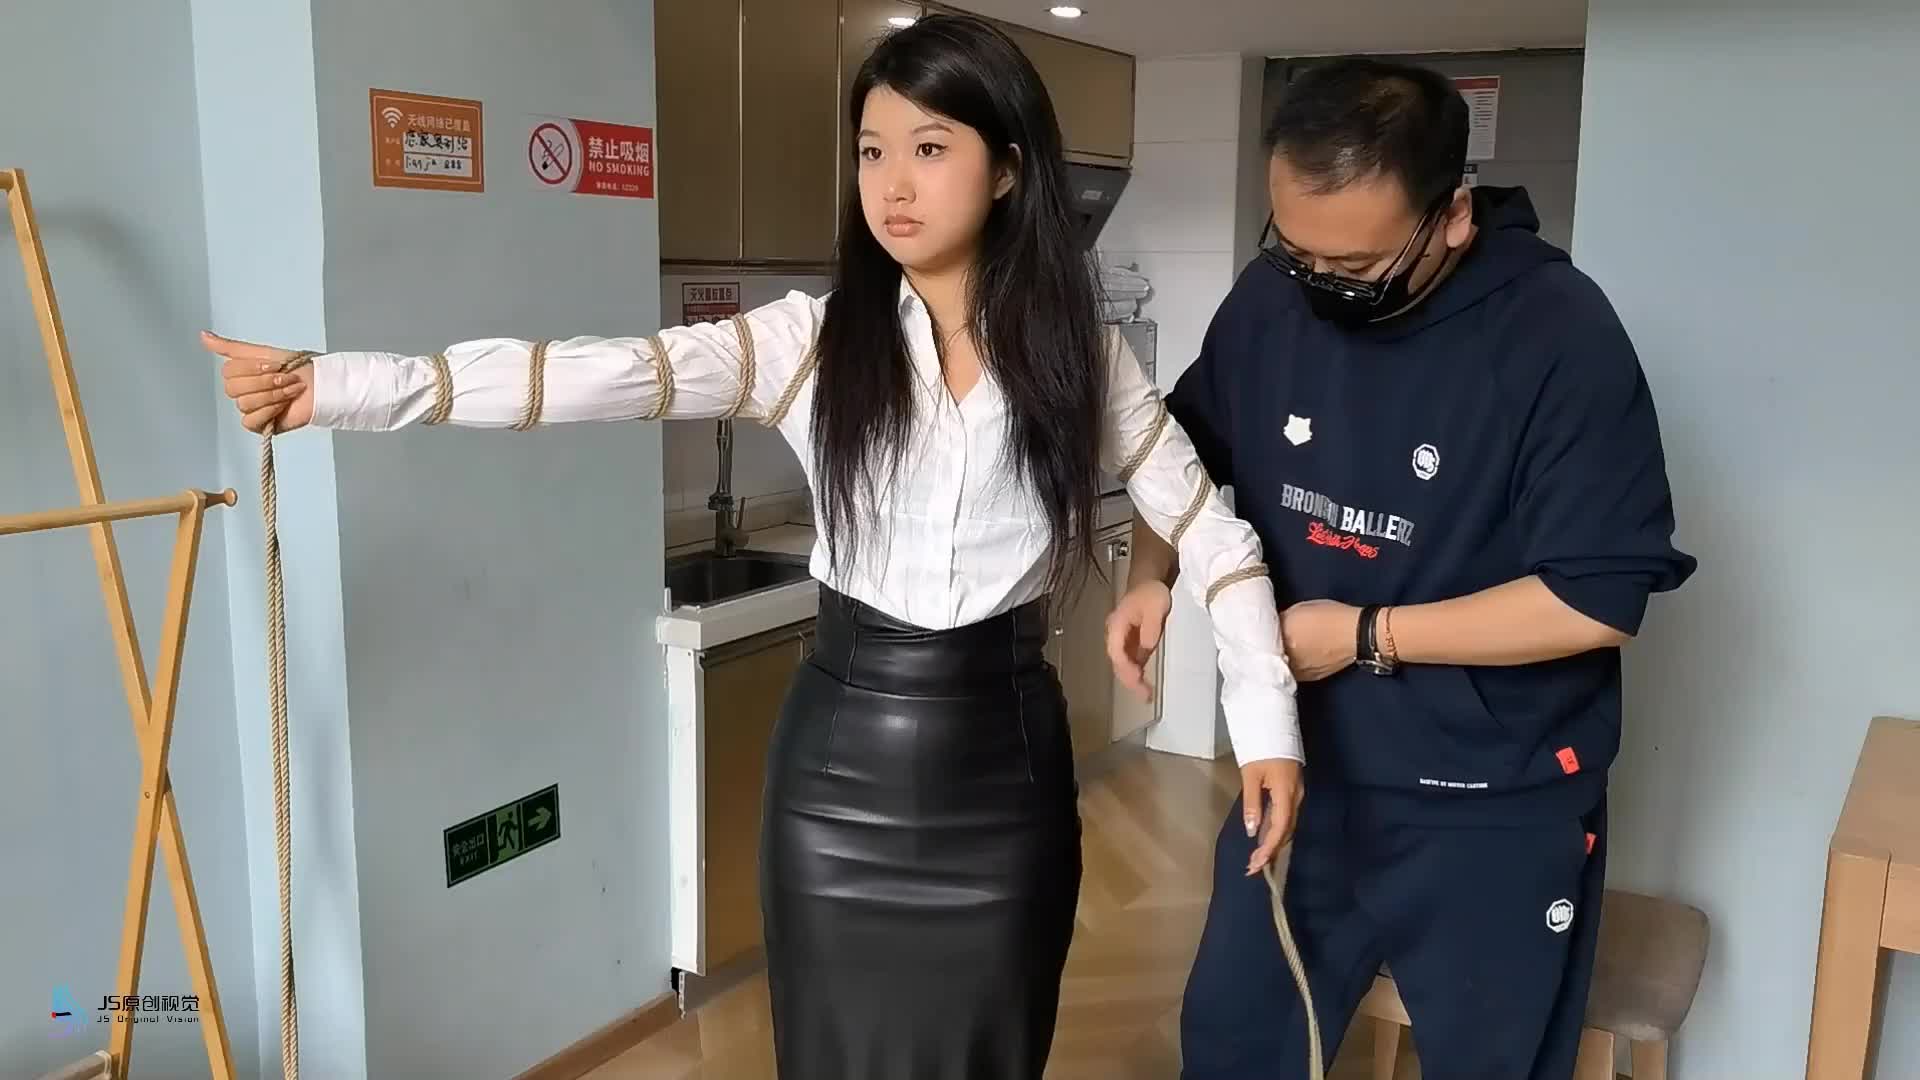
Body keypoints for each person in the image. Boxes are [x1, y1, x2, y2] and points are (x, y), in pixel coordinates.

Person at [207, 15, 1304, 1080]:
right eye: (872, 151)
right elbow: (592, 374)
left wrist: (1266, 726)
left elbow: (1214, 532)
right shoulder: (809, 342)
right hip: (839, 775)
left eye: (930, 149)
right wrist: (339, 386)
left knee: (990, 1050)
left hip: (1004, 777)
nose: (893, 183)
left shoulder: (1083, 358)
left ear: (1009, 169)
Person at [1105, 57, 1698, 1080]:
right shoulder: (1271, 300)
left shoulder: (1558, 334)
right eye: (1294, 251)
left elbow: (1596, 599)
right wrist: (1150, 574)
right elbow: (1183, 456)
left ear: (1452, 216)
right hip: (1296, 772)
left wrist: (1365, 635)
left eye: (1353, 266)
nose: (1317, 286)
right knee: (1237, 1045)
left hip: (1492, 799)